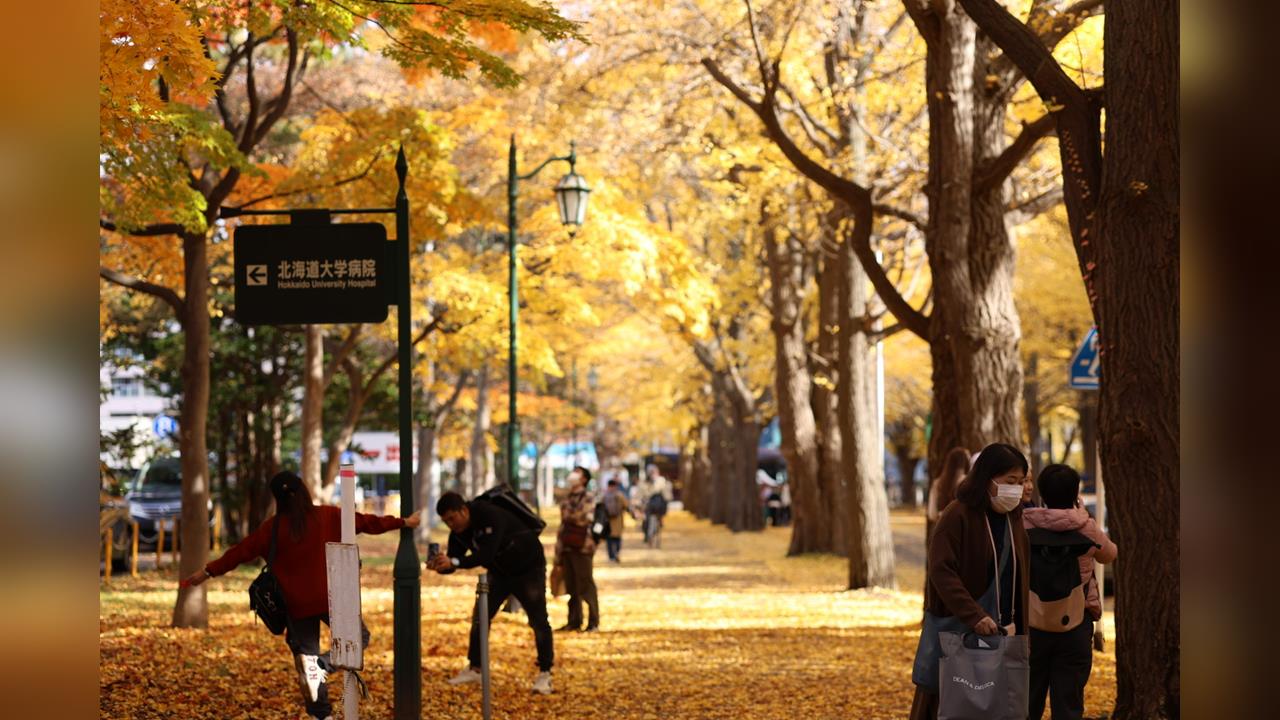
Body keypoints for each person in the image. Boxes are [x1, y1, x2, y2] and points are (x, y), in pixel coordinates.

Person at [182, 471, 419, 720]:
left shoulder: (271, 529)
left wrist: (207, 572)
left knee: (307, 662)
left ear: (277, 498)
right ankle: (324, 665)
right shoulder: (328, 516)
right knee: (358, 638)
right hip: (332, 599)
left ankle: (321, 714)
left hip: (295, 605)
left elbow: (238, 553)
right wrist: (403, 522)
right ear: (304, 490)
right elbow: (368, 523)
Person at [909, 443, 1031, 720]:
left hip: (1005, 638)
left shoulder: (1014, 518)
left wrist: (1024, 632)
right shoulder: (957, 515)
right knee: (950, 706)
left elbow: (1020, 576)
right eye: (1009, 481)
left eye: (1021, 481)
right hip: (959, 636)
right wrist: (973, 615)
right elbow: (941, 571)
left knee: (1003, 707)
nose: (1017, 488)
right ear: (986, 478)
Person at [428, 490, 554, 694]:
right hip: (500, 573)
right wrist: (443, 566)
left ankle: (545, 674)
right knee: (481, 616)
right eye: (446, 521)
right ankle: (475, 668)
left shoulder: (490, 514)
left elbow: (486, 554)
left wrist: (455, 562)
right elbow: (455, 560)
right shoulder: (458, 533)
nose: (451, 525)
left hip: (528, 569)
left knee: (539, 621)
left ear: (463, 510)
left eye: (452, 518)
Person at [1023, 464, 1118, 720]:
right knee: (1069, 703)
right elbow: (1109, 554)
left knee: (1027, 700)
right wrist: (1084, 517)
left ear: (1042, 493)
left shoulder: (1025, 525)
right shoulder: (1085, 527)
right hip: (1076, 622)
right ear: (1076, 494)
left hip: (1032, 622)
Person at [555, 466, 600, 632]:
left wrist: (571, 516)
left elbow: (584, 517)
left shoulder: (588, 497)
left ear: (584, 479)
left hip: (583, 546)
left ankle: (593, 622)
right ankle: (574, 620)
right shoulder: (567, 498)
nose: (572, 475)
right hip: (566, 545)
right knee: (571, 585)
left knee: (586, 584)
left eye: (577, 473)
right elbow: (566, 519)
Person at [602, 478, 630, 563]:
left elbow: (600, 507)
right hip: (618, 520)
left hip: (608, 521)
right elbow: (626, 505)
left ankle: (611, 556)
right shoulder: (619, 495)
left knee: (609, 540)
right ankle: (617, 553)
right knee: (617, 538)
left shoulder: (605, 495)